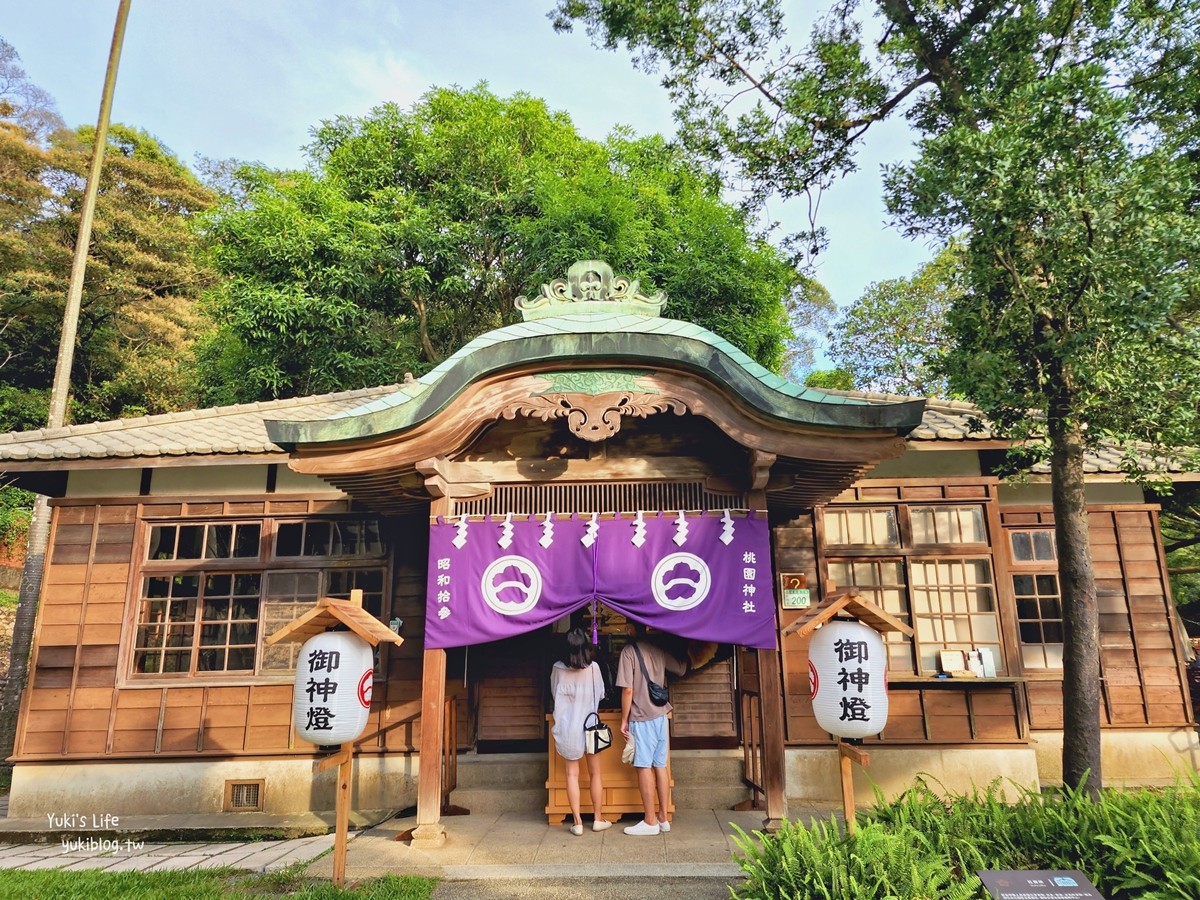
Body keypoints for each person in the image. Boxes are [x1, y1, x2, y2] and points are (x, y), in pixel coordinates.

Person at [616, 622, 687, 835]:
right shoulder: (657, 648)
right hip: (661, 716)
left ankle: (649, 821)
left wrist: (623, 719)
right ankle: (663, 818)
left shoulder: (628, 652)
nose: (625, 630)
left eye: (627, 626)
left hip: (642, 716)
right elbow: (681, 669)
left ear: (631, 629)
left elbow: (628, 690)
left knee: (644, 766)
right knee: (661, 765)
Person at [550, 627, 613, 836]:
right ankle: (597, 818)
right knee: (596, 773)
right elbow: (601, 695)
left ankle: (577, 822)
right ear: (586, 648)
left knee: (571, 775)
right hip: (590, 729)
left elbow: (554, 694)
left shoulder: (557, 669)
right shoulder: (594, 668)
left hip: (568, 730)